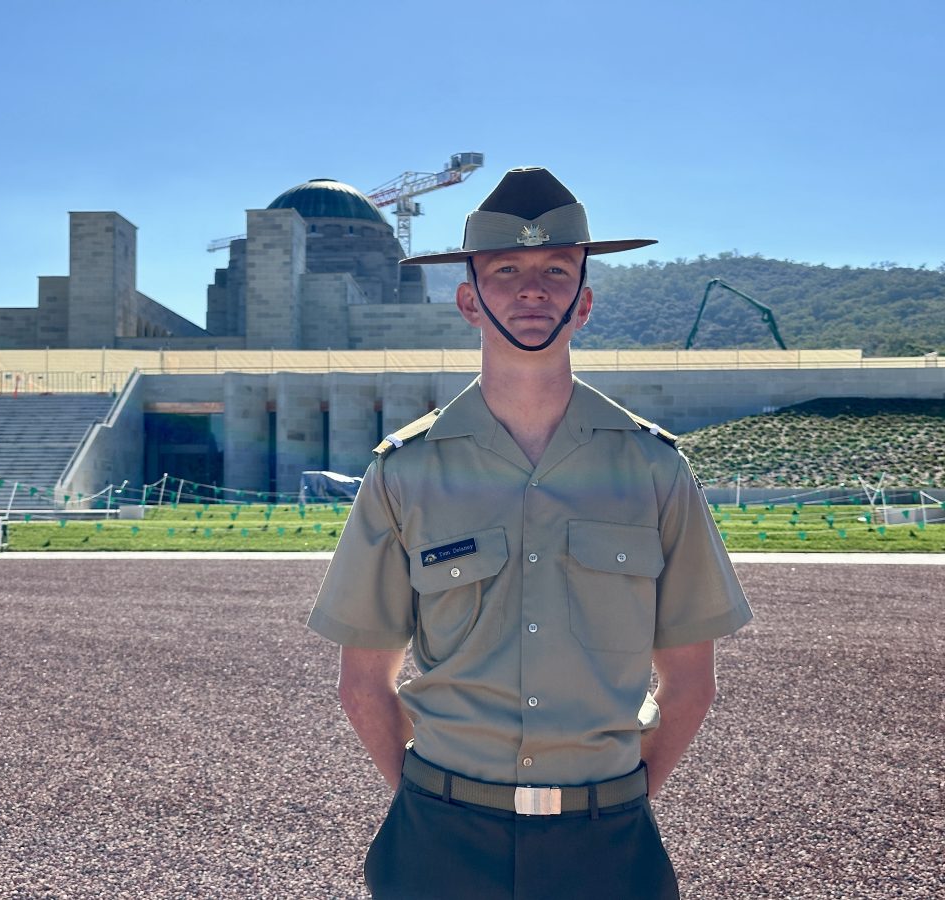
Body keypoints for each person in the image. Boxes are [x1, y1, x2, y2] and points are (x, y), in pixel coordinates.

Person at [306, 166, 753, 899]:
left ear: (583, 303)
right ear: (468, 300)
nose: (532, 288)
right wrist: (434, 800)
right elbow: (363, 684)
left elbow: (691, 684)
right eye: (505, 269)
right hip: (441, 841)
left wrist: (615, 801)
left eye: (556, 270)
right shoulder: (404, 472)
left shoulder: (653, 468)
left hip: (607, 844)